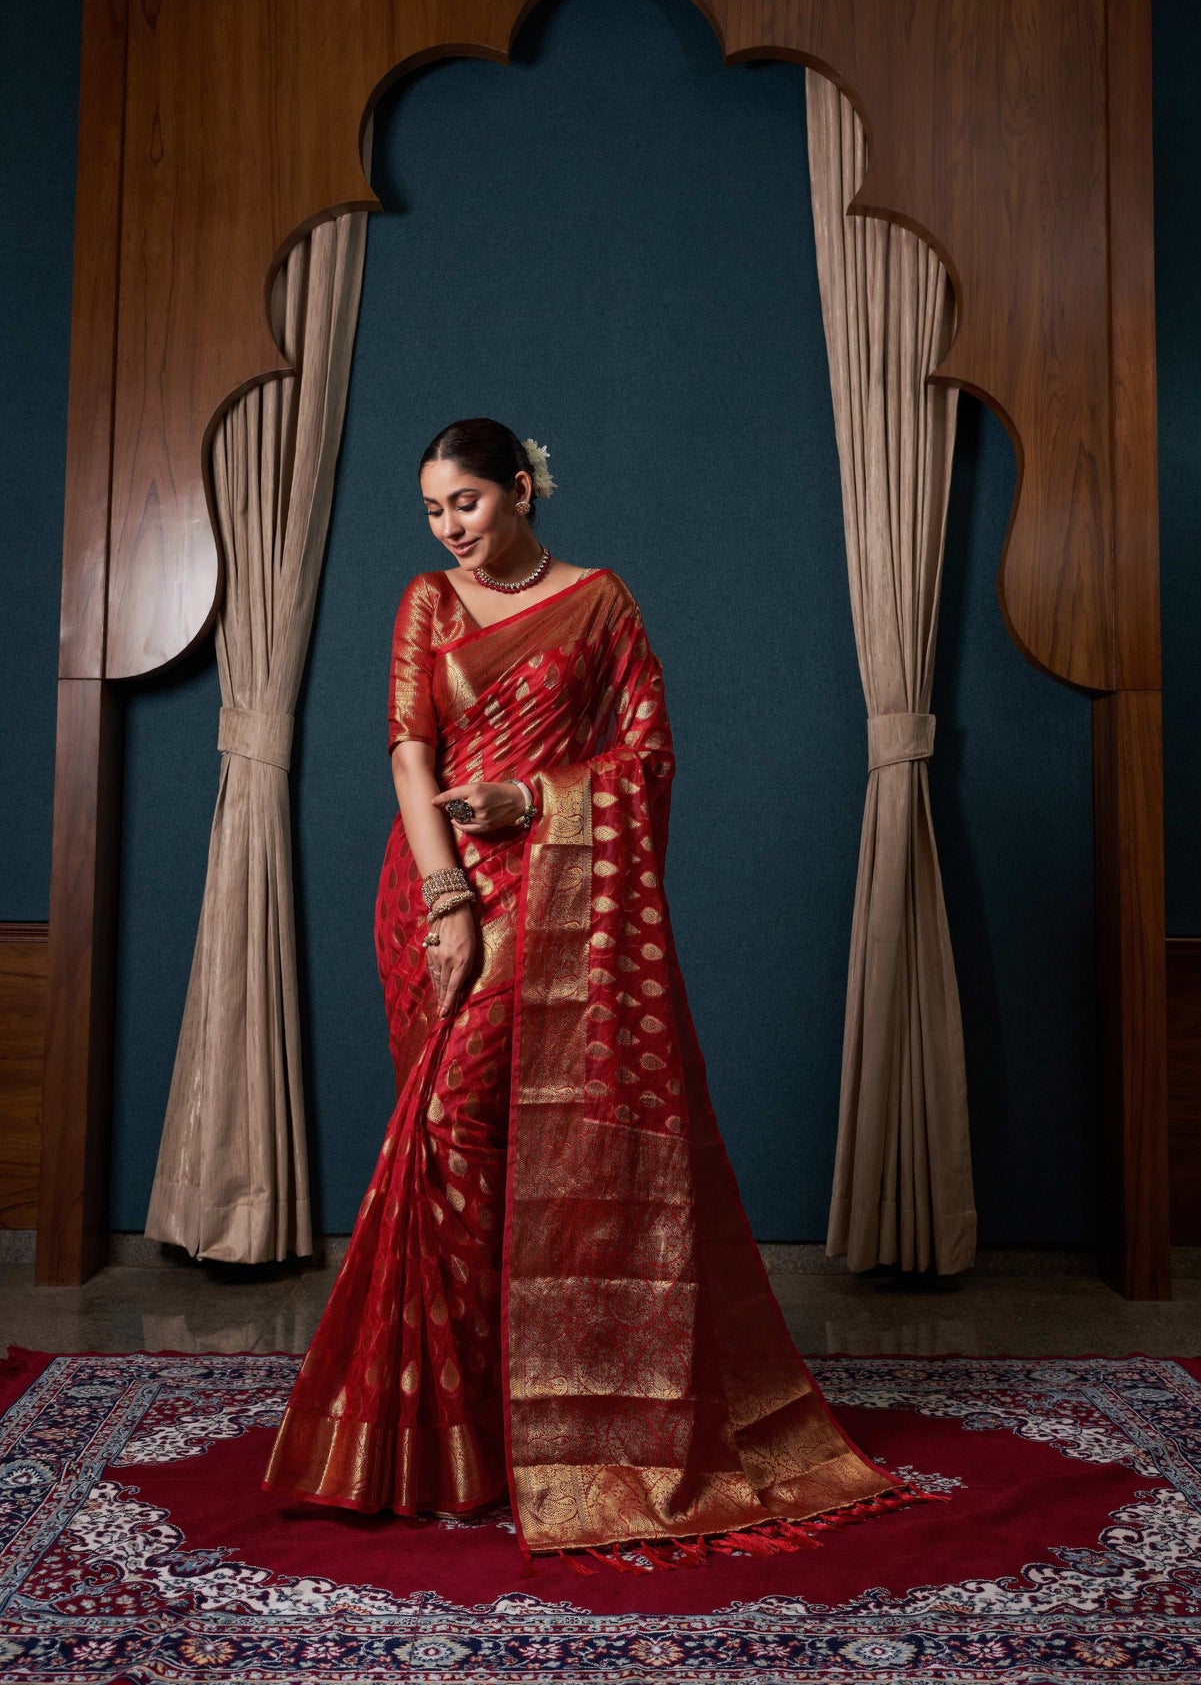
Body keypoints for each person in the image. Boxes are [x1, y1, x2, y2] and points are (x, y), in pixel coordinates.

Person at [261, 417, 931, 1568]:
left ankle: (551, 1419)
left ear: (521, 490)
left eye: (467, 502)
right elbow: (409, 752)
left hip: (558, 889)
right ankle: (456, 1436)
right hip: (435, 887)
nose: (449, 527)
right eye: (433, 509)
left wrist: (531, 800)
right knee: (446, 1139)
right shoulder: (427, 603)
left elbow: (647, 757)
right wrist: (445, 897)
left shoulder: (601, 604)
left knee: (512, 1135)